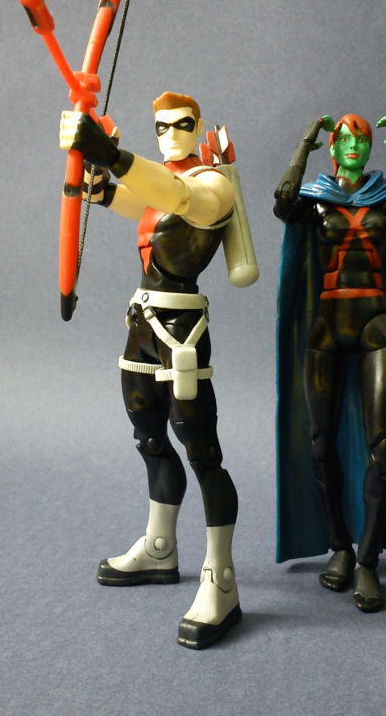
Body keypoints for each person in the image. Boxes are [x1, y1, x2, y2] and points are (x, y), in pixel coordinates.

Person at [59, 91, 243, 648]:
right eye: (160, 126)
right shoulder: (157, 184)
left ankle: (220, 578)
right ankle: (160, 547)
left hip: (182, 330)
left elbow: (179, 197)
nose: (170, 134)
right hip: (142, 322)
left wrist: (112, 156)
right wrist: (93, 173)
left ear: (199, 127)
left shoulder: (213, 185)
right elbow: (124, 196)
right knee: (149, 438)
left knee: (201, 449)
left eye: (181, 124)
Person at [274, 113, 386, 612]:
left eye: (360, 140)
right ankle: (339, 547)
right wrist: (304, 142)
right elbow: (283, 203)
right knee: (320, 442)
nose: (352, 146)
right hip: (327, 325)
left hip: (376, 325)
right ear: (332, 148)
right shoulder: (316, 197)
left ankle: (368, 557)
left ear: (369, 148)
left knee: (382, 446)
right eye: (343, 139)